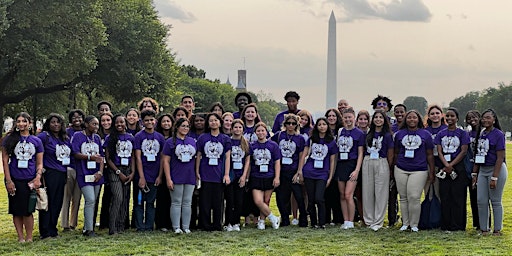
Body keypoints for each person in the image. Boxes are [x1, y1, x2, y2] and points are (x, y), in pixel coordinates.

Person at [2, 112, 44, 242]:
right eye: (18, 121)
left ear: (29, 123)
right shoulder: (9, 139)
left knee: (28, 209)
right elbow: (5, 161)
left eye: (24, 121)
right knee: (16, 210)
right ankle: (20, 237)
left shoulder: (36, 141)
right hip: (14, 178)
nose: (21, 124)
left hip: (30, 179)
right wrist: (9, 180)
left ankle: (29, 237)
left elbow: (39, 162)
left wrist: (38, 177)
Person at [394, 110, 435, 232]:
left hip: (419, 169)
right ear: (406, 120)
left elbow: (430, 155)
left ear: (419, 120)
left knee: (414, 196)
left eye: (414, 118)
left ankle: (414, 224)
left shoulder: (425, 134)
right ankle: (405, 223)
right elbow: (396, 152)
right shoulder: (399, 134)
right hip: (401, 168)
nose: (412, 120)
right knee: (403, 197)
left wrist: (431, 171)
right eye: (409, 118)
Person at [472, 109, 507, 236]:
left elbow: (500, 158)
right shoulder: (481, 133)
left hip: (496, 170)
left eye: (488, 118)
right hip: (483, 170)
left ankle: (497, 229)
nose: (485, 120)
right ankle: (484, 229)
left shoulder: (498, 134)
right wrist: (474, 174)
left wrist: (495, 177)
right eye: (483, 118)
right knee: (481, 200)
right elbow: (478, 154)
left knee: (495, 201)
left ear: (494, 120)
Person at [297, 117, 337, 228]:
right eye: (319, 124)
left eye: (324, 124)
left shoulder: (331, 141)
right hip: (309, 171)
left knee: (319, 198)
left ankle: (322, 222)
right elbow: (304, 155)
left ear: (327, 126)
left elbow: (332, 160)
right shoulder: (311, 139)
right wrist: (300, 171)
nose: (322, 126)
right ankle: (313, 223)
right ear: (316, 126)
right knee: (311, 199)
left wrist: (330, 176)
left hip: (323, 173)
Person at [195, 113, 232, 231]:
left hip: (219, 174)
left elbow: (227, 158)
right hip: (205, 174)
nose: (213, 122)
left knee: (218, 201)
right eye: (211, 120)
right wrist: (197, 172)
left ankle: (217, 224)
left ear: (220, 122)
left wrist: (226, 174)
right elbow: (199, 156)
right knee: (204, 201)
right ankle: (205, 224)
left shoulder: (225, 139)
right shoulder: (203, 138)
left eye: (216, 120)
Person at [38, 113, 71, 239]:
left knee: (57, 202)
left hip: (62, 173)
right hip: (49, 173)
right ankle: (44, 231)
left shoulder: (65, 138)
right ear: (48, 124)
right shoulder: (44, 137)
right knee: (47, 202)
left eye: (58, 122)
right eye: (53, 122)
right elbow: (37, 152)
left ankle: (53, 229)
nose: (56, 124)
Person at [435, 107, 469, 231]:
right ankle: (446, 224)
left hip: (458, 167)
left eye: (452, 116)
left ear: (457, 118)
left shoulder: (462, 133)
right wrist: (446, 165)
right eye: (447, 116)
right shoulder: (441, 134)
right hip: (444, 167)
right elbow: (439, 151)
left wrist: (451, 165)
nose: (449, 118)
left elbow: (464, 151)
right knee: (445, 196)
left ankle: (458, 225)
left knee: (458, 197)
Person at [271, 114, 308, 227]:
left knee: (299, 196)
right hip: (281, 171)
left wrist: (299, 171)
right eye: (288, 123)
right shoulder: (279, 136)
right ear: (285, 124)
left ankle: (303, 218)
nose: (290, 125)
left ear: (297, 125)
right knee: (281, 197)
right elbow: (270, 145)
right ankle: (285, 218)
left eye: (293, 123)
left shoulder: (300, 138)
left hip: (294, 170)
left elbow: (302, 156)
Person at [162, 118, 197, 234]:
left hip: (190, 176)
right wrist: (168, 178)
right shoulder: (170, 142)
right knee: (176, 202)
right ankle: (176, 226)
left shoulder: (192, 141)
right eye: (183, 126)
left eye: (187, 126)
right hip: (176, 175)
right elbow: (165, 161)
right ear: (177, 127)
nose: (185, 128)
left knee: (187, 202)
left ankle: (186, 226)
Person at [71, 115, 104, 236]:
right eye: (93, 124)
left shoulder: (97, 138)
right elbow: (74, 153)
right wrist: (89, 157)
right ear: (86, 124)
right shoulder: (78, 136)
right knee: (90, 199)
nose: (96, 126)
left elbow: (101, 157)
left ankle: (87, 226)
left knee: (93, 201)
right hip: (83, 173)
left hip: (96, 174)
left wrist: (100, 172)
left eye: (97, 124)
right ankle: (88, 230)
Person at [362, 110, 394, 231]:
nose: (378, 119)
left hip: (381, 161)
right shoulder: (368, 134)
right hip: (368, 161)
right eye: (376, 117)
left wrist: (388, 167)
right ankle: (369, 219)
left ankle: (378, 221)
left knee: (381, 192)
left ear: (384, 120)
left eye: (381, 117)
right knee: (367, 192)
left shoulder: (387, 135)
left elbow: (390, 153)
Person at [134, 109, 165, 231]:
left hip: (155, 174)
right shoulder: (138, 136)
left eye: (151, 120)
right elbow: (137, 157)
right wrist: (141, 177)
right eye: (146, 120)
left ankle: (149, 226)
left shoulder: (160, 137)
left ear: (155, 121)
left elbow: (163, 158)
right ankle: (140, 226)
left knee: (151, 202)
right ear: (142, 122)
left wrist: (160, 176)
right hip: (141, 174)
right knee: (139, 202)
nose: (149, 122)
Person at [104, 114, 135, 235]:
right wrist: (118, 172)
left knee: (125, 199)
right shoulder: (110, 138)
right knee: (118, 197)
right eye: (117, 123)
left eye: (122, 122)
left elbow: (133, 156)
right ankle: (112, 228)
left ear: (125, 123)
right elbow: (108, 158)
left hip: (128, 170)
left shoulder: (131, 137)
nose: (119, 125)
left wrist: (132, 172)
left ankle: (121, 226)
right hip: (115, 170)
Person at [336, 107, 365, 229]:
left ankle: (351, 221)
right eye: (345, 117)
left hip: (352, 165)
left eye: (350, 117)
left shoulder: (359, 133)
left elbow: (360, 154)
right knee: (342, 195)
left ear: (354, 118)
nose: (348, 120)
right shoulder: (340, 131)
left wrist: (357, 170)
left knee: (349, 194)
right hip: (341, 164)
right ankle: (346, 220)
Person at [249, 122, 281, 230]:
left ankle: (262, 221)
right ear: (255, 133)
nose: (261, 133)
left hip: (269, 176)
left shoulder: (273, 145)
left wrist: (277, 177)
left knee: (266, 201)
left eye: (263, 130)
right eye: (258, 131)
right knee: (258, 201)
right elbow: (249, 162)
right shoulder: (252, 146)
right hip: (256, 176)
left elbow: (277, 162)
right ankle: (273, 218)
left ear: (266, 132)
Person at [224, 119, 250, 231]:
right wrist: (227, 174)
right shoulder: (228, 141)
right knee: (230, 200)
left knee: (239, 200)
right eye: (235, 127)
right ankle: (228, 223)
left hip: (240, 175)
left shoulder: (245, 143)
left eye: (240, 127)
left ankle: (236, 223)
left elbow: (248, 160)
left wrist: (244, 176)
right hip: (231, 174)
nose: (237, 129)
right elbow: (227, 158)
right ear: (231, 129)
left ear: (243, 129)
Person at [61, 109, 85, 232]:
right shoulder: (66, 132)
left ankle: (73, 224)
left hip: (82, 168)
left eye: (79, 117)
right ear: (70, 119)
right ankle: (64, 224)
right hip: (69, 167)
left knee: (77, 197)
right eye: (74, 117)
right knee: (66, 196)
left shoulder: (85, 132)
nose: (77, 119)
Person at [154, 114, 174, 232]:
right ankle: (161, 223)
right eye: (163, 121)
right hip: (159, 170)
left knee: (172, 199)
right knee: (162, 198)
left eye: (168, 121)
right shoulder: (158, 137)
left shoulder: (175, 137)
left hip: (174, 171)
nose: (166, 123)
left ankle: (171, 222)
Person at [324, 108, 343, 225]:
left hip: (339, 163)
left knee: (337, 192)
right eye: (329, 116)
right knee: (326, 192)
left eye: (333, 116)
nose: (331, 118)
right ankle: (326, 218)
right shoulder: (322, 131)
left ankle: (338, 218)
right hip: (325, 164)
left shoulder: (341, 131)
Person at [388, 104, 406, 227]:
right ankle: (392, 219)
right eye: (397, 112)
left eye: (401, 112)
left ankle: (406, 219)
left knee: (405, 194)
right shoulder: (391, 128)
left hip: (406, 163)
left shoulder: (410, 127)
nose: (399, 114)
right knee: (392, 193)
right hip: (392, 163)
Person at [425, 105, 447, 198]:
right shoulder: (425, 130)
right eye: (432, 114)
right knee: (428, 192)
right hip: (428, 164)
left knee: (440, 194)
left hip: (442, 164)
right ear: (429, 116)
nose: (435, 115)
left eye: (437, 113)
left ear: (442, 115)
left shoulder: (446, 129)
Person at [465, 110, 482, 230]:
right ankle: (476, 223)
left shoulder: (483, 133)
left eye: (475, 117)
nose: (472, 120)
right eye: (469, 118)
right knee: (472, 197)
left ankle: (483, 223)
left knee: (481, 198)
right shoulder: (468, 134)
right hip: (469, 167)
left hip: (482, 168)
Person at [97, 112, 113, 229]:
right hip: (96, 168)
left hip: (110, 168)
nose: (106, 123)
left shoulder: (114, 135)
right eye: (103, 120)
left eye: (108, 120)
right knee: (95, 196)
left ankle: (106, 221)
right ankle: (92, 221)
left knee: (108, 195)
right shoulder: (96, 134)